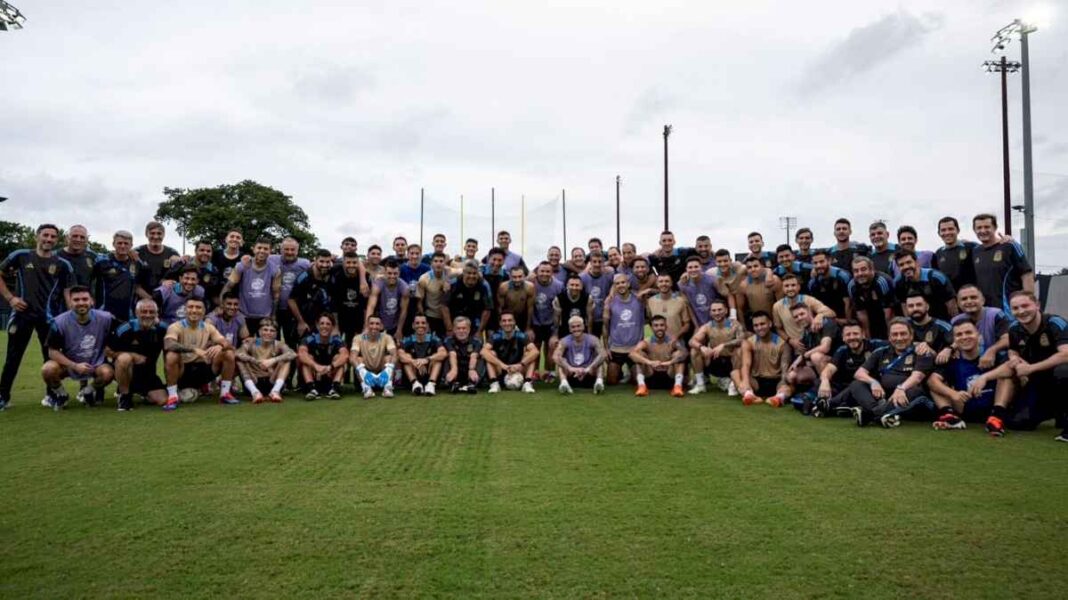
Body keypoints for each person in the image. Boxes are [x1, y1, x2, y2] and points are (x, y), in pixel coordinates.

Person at [0, 224, 73, 410]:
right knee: (13, 358)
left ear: (57, 240)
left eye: (53, 237)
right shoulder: (21, 256)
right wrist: (10, 298)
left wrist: (70, 313)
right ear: (37, 236)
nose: (49, 239)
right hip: (21, 315)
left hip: (48, 318)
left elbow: (67, 291)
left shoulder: (62, 264)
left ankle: (52, 396)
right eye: (45, 235)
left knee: (49, 359)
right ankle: (3, 397)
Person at [984, 291, 1068, 440]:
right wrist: (1014, 358)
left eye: (1025, 306)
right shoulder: (1014, 328)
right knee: (1017, 422)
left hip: (1058, 378)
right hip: (1039, 383)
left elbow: (1065, 354)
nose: (1021, 311)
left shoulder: (1055, 323)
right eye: (1015, 308)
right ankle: (1054, 411)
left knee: (1063, 371)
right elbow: (1013, 350)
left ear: (1037, 305)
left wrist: (1030, 368)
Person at [847, 318, 934, 429]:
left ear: (911, 335)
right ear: (889, 337)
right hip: (887, 399)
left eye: (903, 334)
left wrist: (901, 388)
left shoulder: (921, 351)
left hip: (914, 398)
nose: (899, 338)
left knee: (914, 391)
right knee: (857, 384)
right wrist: (873, 382)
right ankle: (884, 413)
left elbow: (917, 377)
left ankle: (869, 415)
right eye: (895, 334)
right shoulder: (881, 352)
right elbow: (859, 373)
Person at [40, 286, 114, 410]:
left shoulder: (106, 318)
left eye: (85, 299)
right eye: (76, 300)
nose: (81, 303)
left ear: (92, 301)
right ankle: (62, 395)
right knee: (48, 369)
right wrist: (74, 366)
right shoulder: (59, 322)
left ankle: (88, 392)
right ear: (70, 302)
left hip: (96, 364)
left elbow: (125, 330)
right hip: (69, 364)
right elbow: (52, 352)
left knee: (107, 373)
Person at [926, 319, 1004, 431]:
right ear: (955, 340)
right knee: (935, 384)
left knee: (1006, 375)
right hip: (964, 408)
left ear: (979, 336)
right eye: (959, 334)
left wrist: (985, 377)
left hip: (991, 407)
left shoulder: (991, 356)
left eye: (969, 332)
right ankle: (950, 416)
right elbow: (932, 381)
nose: (964, 337)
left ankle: (996, 418)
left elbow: (1012, 367)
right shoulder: (953, 361)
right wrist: (953, 394)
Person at [162, 296, 237, 411]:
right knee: (171, 355)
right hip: (182, 372)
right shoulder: (175, 326)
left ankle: (225, 394)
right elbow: (168, 345)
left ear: (203, 311)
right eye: (191, 307)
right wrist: (194, 349)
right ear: (185, 309)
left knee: (228, 353)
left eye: (198, 307)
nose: (194, 310)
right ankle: (172, 397)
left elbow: (227, 343)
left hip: (203, 369)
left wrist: (220, 345)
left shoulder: (208, 327)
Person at [813, 321, 886, 418]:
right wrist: (825, 380)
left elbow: (896, 345)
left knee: (855, 385)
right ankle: (840, 407)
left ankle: (827, 406)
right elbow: (829, 369)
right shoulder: (842, 350)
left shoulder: (877, 345)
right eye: (848, 334)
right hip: (846, 389)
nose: (852, 337)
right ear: (843, 338)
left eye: (855, 334)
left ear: (863, 335)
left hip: (870, 388)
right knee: (819, 382)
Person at [108, 299, 169, 411]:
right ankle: (124, 396)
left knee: (163, 400)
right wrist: (132, 355)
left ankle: (144, 393)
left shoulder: (162, 329)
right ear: (136, 313)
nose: (147, 315)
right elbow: (107, 350)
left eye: (151, 312)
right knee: (124, 358)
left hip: (148, 375)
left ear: (157, 314)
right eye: (144, 311)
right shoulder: (126, 329)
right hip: (127, 372)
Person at [972, 213, 1034, 311]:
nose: (983, 231)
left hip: (1009, 309)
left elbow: (1027, 274)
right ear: (974, 230)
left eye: (987, 227)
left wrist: (1029, 302)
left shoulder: (1009, 246)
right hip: (985, 311)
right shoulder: (975, 251)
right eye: (979, 228)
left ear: (995, 227)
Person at [784, 302, 839, 410]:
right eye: (796, 317)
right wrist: (795, 363)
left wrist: (806, 355)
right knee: (792, 376)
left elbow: (825, 347)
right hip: (820, 367)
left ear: (809, 312)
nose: (799, 318)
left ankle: (830, 392)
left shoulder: (826, 323)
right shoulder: (806, 331)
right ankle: (810, 393)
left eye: (802, 314)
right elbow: (803, 352)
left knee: (816, 356)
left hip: (837, 366)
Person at [688, 298, 746, 395]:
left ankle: (732, 383)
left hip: (731, 363)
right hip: (714, 361)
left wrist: (723, 345)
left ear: (726, 311)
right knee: (695, 351)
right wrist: (702, 347)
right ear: (710, 312)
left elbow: (742, 340)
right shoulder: (708, 326)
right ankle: (700, 384)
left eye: (720, 310)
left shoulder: (734, 325)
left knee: (740, 350)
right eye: (714, 310)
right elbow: (691, 341)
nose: (717, 313)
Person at [223, 237, 281, 333]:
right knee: (242, 344)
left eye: (266, 249)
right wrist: (222, 306)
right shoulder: (242, 265)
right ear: (253, 249)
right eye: (259, 248)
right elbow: (229, 286)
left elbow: (276, 295)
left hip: (264, 316)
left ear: (270, 251)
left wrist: (273, 315)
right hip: (243, 315)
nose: (262, 251)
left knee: (262, 346)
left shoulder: (275, 269)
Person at [92, 230, 149, 323]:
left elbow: (139, 286)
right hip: (104, 312)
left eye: (126, 243)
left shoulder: (137, 264)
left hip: (128, 314)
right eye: (119, 243)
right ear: (113, 244)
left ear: (131, 245)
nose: (123, 246)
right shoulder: (101, 262)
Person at [737, 311, 792, 407]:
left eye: (762, 324)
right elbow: (746, 364)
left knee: (791, 382)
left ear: (770, 324)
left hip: (776, 381)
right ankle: (749, 395)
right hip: (756, 382)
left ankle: (778, 397)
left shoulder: (783, 344)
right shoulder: (749, 342)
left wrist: (783, 384)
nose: (759, 328)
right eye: (756, 325)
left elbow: (785, 369)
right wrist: (745, 382)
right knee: (735, 374)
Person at [236, 318, 296, 404]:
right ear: (259, 331)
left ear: (276, 334)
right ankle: (255, 393)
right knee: (240, 360)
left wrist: (272, 360)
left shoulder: (278, 344)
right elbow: (238, 353)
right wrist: (256, 361)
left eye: (272, 331)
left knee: (286, 360)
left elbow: (292, 354)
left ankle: (275, 391)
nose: (268, 333)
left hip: (272, 380)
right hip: (254, 380)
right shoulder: (253, 342)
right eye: (265, 330)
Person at [772, 274, 835, 354]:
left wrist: (819, 316)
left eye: (793, 285)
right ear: (782, 288)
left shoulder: (808, 300)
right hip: (796, 348)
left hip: (814, 344)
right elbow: (778, 328)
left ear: (799, 287)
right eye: (786, 286)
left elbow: (831, 313)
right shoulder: (777, 306)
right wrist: (790, 340)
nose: (790, 288)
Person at [950, 285, 1010, 365]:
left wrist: (991, 350)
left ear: (983, 300)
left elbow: (1007, 340)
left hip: (996, 360)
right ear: (958, 304)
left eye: (973, 297)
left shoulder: (996, 314)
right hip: (969, 361)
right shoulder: (955, 320)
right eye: (964, 299)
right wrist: (950, 349)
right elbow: (955, 342)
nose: (969, 301)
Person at [630, 315, 687, 397]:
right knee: (639, 354)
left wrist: (670, 362)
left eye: (662, 325)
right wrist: (649, 362)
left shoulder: (672, 342)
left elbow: (684, 352)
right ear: (651, 328)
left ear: (666, 326)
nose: (659, 328)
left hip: (669, 377)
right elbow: (632, 353)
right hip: (650, 377)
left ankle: (677, 387)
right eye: (656, 325)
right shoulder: (646, 342)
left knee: (678, 354)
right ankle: (642, 386)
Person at [270, 237, 311, 350]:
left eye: (292, 250)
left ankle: (290, 367)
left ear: (297, 251)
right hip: (273, 309)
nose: (289, 252)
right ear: (281, 249)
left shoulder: (305, 264)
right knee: (272, 343)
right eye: (286, 249)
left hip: (293, 310)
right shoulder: (271, 259)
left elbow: (320, 268)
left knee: (291, 344)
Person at [603, 273, 645, 385]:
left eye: (623, 282)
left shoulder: (639, 299)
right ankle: (620, 372)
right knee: (611, 381)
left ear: (628, 284)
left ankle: (631, 372)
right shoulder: (609, 302)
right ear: (614, 286)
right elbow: (605, 326)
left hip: (634, 348)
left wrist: (648, 290)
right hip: (617, 348)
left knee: (637, 381)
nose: (620, 285)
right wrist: (606, 347)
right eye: (617, 283)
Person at [482, 312, 539, 394]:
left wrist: (520, 364)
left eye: (509, 320)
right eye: (504, 321)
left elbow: (535, 351)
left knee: (529, 354)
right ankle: (494, 383)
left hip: (518, 369)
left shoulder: (521, 336)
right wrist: (503, 366)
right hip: (501, 370)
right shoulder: (495, 336)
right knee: (490, 353)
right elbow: (483, 352)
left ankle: (527, 383)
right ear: (500, 323)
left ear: (514, 322)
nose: (507, 323)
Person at [893, 249, 956, 321]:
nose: (906, 267)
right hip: (917, 324)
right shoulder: (898, 283)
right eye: (901, 265)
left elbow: (951, 305)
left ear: (917, 262)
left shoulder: (935, 277)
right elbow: (905, 307)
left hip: (941, 321)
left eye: (909, 262)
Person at [297, 313, 348, 400]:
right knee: (307, 358)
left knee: (338, 358)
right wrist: (316, 366)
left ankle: (334, 389)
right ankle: (312, 390)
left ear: (332, 327)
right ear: (317, 325)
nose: (325, 326)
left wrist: (330, 367)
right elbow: (301, 353)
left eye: (328, 324)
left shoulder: (337, 340)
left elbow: (345, 355)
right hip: (314, 375)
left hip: (329, 374)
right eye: (322, 323)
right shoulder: (309, 339)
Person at [553, 316, 607, 394]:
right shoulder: (564, 341)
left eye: (578, 326)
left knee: (600, 361)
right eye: (573, 327)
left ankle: (599, 383)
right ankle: (564, 384)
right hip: (572, 374)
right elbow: (555, 357)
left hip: (589, 372)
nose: (576, 329)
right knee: (561, 360)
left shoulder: (593, 339)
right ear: (570, 329)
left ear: (583, 327)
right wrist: (571, 368)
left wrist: (588, 368)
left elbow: (603, 354)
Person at [288, 249, 335, 338]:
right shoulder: (304, 277)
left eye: (327, 262)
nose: (324, 265)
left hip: (324, 323)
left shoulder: (331, 273)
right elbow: (291, 300)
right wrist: (301, 322)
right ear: (315, 260)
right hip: (306, 322)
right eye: (321, 261)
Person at [530, 262, 564, 380]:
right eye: (542, 271)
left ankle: (550, 372)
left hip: (551, 323)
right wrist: (529, 327)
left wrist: (556, 331)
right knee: (535, 347)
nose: (544, 274)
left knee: (551, 347)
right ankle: (534, 372)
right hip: (535, 322)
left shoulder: (559, 286)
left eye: (547, 271)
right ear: (537, 272)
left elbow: (560, 308)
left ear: (552, 273)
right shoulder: (531, 283)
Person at [350, 314, 398, 399]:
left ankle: (387, 388)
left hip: (382, 373)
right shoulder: (358, 338)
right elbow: (352, 357)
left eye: (377, 324)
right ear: (367, 325)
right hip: (366, 374)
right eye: (371, 323)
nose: (374, 326)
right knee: (358, 359)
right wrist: (363, 372)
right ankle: (367, 389)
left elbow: (394, 354)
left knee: (389, 358)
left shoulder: (387, 337)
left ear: (381, 326)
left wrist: (388, 369)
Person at [398, 314, 447, 396]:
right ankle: (415, 384)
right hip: (413, 373)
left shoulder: (434, 338)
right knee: (407, 358)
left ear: (427, 325)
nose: (420, 325)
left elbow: (443, 353)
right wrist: (414, 361)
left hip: (429, 372)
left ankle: (431, 384)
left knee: (437, 358)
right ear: (413, 325)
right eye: (417, 323)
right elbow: (400, 355)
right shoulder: (407, 339)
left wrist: (427, 359)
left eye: (423, 323)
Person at [166, 240, 222, 310]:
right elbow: (165, 280)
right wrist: (164, 282)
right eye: (202, 250)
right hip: (178, 308)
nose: (205, 253)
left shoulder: (214, 271)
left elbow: (215, 295)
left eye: (208, 251)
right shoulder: (183, 264)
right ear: (195, 251)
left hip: (203, 309)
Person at [848, 256, 894, 340]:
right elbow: (861, 314)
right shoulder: (852, 286)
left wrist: (890, 336)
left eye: (863, 269)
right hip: (870, 315)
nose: (860, 273)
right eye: (856, 271)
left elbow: (888, 314)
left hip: (887, 314)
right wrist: (868, 339)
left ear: (872, 269)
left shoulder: (882, 282)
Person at [330, 252, 371, 347]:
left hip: (358, 319)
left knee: (356, 349)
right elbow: (334, 303)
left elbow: (366, 304)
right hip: (341, 319)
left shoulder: (366, 277)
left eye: (354, 263)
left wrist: (365, 326)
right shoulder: (337, 276)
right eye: (348, 263)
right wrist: (335, 327)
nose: (351, 265)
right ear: (343, 263)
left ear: (358, 264)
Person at [447, 261, 493, 338]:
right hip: (455, 318)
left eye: (474, 273)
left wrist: (480, 331)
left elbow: (487, 309)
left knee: (477, 343)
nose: (471, 276)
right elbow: (444, 306)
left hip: (475, 319)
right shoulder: (453, 284)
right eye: (469, 273)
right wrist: (449, 329)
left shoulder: (484, 285)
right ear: (463, 273)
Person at [904, 294, 953, 366]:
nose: (915, 308)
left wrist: (949, 348)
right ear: (906, 309)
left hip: (937, 367)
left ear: (927, 306)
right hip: (907, 367)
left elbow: (958, 340)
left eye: (919, 305)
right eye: (911, 306)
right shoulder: (902, 325)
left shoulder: (942, 326)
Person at [806, 249, 851, 324]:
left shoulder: (842, 276)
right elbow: (814, 305)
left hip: (844, 318)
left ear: (829, 261)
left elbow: (849, 303)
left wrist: (847, 322)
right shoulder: (813, 283)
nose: (818, 265)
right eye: (815, 263)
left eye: (821, 262)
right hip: (825, 317)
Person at [932, 216, 978, 289]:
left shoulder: (971, 247)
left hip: (969, 296)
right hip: (950, 297)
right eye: (943, 230)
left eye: (950, 229)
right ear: (939, 233)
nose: (947, 232)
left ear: (958, 230)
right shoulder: (938, 254)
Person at [134, 221, 181, 291]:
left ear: (164, 235)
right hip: (142, 295)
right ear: (146, 234)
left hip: (165, 295)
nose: (156, 237)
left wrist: (182, 259)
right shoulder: (137, 252)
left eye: (159, 233)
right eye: (152, 233)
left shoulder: (173, 253)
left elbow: (180, 277)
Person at [678, 256, 720, 332]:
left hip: (716, 322)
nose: (693, 269)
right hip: (699, 324)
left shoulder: (712, 280)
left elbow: (724, 297)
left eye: (696, 267)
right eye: (690, 267)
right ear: (686, 269)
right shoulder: (683, 284)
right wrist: (696, 326)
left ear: (701, 267)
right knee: (692, 342)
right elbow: (689, 307)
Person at [416, 252, 452, 338]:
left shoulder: (450, 274)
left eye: (441, 261)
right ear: (431, 263)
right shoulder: (424, 279)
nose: (438, 264)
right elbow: (419, 302)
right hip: (430, 316)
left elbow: (465, 270)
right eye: (435, 261)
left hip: (447, 317)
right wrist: (424, 320)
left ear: (445, 263)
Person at [444, 316, 484, 393]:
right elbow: (452, 354)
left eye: (464, 328)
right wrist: (454, 369)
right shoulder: (448, 341)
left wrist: (471, 369)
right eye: (458, 328)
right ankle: (453, 384)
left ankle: (472, 384)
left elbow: (474, 356)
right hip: (456, 371)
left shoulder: (476, 341)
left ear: (469, 330)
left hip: (470, 371)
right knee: (446, 357)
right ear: (454, 330)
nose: (461, 331)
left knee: (481, 359)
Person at [647, 273, 692, 341]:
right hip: (658, 342)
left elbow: (687, 324)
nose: (664, 284)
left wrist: (676, 336)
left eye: (667, 281)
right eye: (661, 281)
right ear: (657, 284)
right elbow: (649, 321)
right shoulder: (650, 301)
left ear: (671, 283)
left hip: (677, 341)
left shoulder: (680, 301)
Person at [738, 255, 782, 324]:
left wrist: (779, 324)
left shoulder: (774, 280)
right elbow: (739, 309)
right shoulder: (743, 285)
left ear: (762, 267)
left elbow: (782, 305)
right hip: (756, 323)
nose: (753, 269)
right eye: (749, 267)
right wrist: (743, 328)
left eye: (756, 266)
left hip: (774, 321)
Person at [497, 266, 535, 337]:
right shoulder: (503, 287)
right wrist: (502, 325)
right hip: (508, 316)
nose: (517, 279)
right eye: (514, 277)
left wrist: (528, 327)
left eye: (520, 276)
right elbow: (500, 308)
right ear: (510, 277)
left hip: (523, 317)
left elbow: (530, 308)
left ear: (524, 276)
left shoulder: (529, 287)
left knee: (528, 337)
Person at [57, 224, 97, 289]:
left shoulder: (93, 257)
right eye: (75, 236)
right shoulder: (56, 256)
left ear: (86, 240)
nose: (78, 240)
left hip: (84, 298)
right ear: (67, 238)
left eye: (82, 237)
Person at [712, 249, 746, 318]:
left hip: (742, 296)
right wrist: (733, 315)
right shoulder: (714, 274)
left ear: (730, 260)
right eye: (719, 261)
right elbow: (729, 295)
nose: (722, 264)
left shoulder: (738, 267)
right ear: (715, 262)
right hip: (727, 300)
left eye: (725, 261)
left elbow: (753, 268)